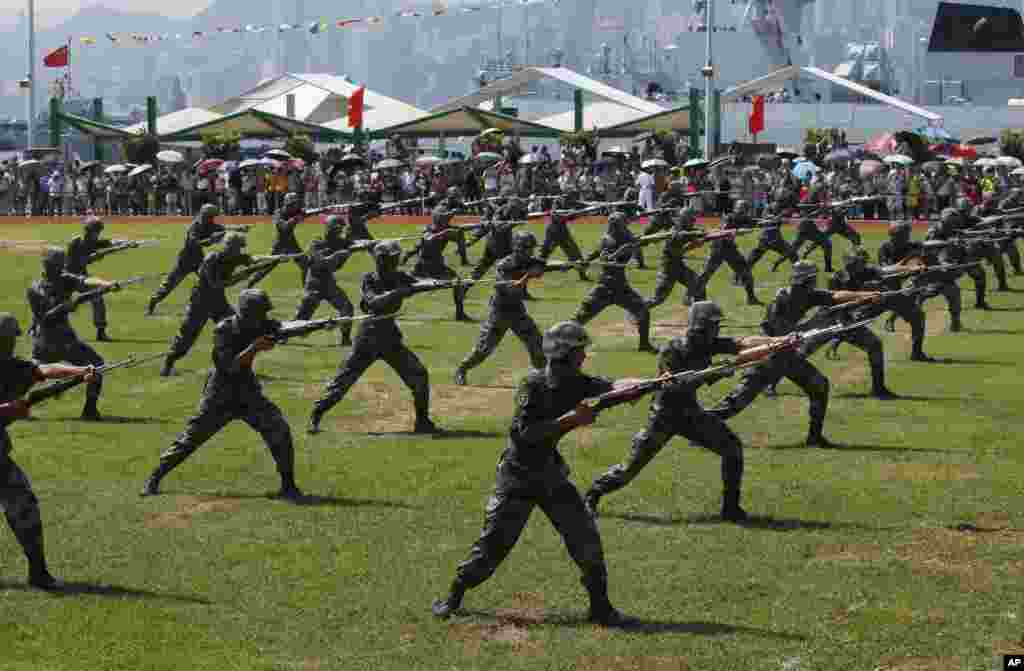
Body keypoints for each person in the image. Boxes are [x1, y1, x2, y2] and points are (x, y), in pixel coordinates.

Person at [431, 321, 638, 626]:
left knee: (585, 537)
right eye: (580, 350)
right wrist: (570, 420)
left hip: (551, 475)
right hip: (518, 477)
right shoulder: (534, 385)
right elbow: (524, 434)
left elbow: (615, 386)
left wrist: (654, 382)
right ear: (565, 353)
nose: (584, 356)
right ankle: (453, 596)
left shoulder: (577, 382)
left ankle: (601, 608)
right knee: (494, 544)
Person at [586, 302, 794, 522]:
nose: (717, 330)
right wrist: (714, 373)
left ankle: (731, 509)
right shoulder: (673, 349)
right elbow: (673, 384)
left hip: (691, 414)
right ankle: (592, 495)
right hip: (664, 415)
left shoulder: (709, 343)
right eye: (713, 325)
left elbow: (744, 343)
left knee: (732, 448)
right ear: (699, 326)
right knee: (630, 468)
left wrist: (778, 341)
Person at [141, 290, 302, 501]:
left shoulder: (261, 324)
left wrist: (318, 323)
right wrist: (254, 348)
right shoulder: (223, 330)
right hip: (221, 394)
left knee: (278, 429)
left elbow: (285, 327)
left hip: (248, 392)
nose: (264, 317)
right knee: (192, 438)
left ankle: (288, 487)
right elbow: (230, 366)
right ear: (247, 313)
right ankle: (154, 478)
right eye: (260, 313)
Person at [710, 262, 882, 447]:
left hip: (789, 357)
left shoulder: (808, 294)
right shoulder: (782, 301)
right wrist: (813, 323)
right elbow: (783, 334)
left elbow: (834, 296)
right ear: (806, 281)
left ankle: (814, 438)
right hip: (771, 355)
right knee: (738, 400)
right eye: (813, 279)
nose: (815, 282)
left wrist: (866, 296)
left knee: (819, 386)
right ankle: (702, 428)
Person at [0, 313, 99, 589]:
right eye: (6, 340)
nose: (10, 345)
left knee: (24, 507)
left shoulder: (9, 365)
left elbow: (43, 370)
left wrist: (79, 372)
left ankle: (38, 572)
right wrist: (7, 410)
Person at [307, 241, 439, 435]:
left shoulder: (400, 276)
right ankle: (316, 415)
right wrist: (399, 293)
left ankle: (422, 422)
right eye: (391, 258)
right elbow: (373, 302)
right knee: (343, 381)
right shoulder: (369, 279)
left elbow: (420, 284)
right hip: (367, 339)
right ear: (382, 260)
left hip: (390, 339)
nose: (394, 262)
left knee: (419, 375)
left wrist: (439, 283)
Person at [26, 249, 117, 420]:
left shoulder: (63, 278)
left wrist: (106, 284)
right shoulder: (35, 289)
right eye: (59, 265)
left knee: (33, 373)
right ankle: (87, 408)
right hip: (50, 340)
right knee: (94, 365)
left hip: (60, 338)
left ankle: (85, 407)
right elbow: (46, 318)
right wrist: (69, 305)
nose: (62, 268)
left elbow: (85, 281)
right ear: (50, 266)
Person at [455, 231, 547, 385]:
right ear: (517, 248)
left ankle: (542, 374)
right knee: (484, 348)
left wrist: (561, 266)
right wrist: (528, 275)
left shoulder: (530, 261)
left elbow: (545, 265)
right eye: (527, 248)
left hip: (517, 310)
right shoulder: (504, 265)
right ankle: (462, 369)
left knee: (536, 342)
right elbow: (513, 288)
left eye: (531, 248)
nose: (531, 251)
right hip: (500, 311)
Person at [160, 233, 253, 377]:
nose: (240, 251)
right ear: (229, 247)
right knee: (187, 336)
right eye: (238, 248)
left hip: (218, 302)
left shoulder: (235, 257)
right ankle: (168, 364)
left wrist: (274, 259)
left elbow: (252, 260)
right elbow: (217, 284)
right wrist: (243, 274)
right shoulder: (212, 259)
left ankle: (231, 365)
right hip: (200, 302)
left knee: (237, 328)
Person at [574, 212, 656, 353]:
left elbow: (632, 246)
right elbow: (603, 258)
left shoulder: (626, 237)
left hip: (620, 287)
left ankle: (644, 345)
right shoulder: (608, 239)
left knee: (642, 310)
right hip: (605, 287)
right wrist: (617, 253)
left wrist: (634, 248)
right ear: (615, 226)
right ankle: (562, 339)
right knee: (581, 317)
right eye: (622, 224)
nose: (625, 227)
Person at [147, 204, 227, 315]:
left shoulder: (209, 225)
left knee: (211, 281)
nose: (212, 219)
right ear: (206, 216)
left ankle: (219, 307)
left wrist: (237, 230)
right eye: (211, 216)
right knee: (170, 284)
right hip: (185, 260)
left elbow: (222, 229)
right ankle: (152, 304)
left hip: (199, 259)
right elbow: (195, 243)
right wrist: (211, 240)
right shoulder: (194, 227)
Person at [294, 215, 356, 347]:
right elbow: (322, 263)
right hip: (314, 283)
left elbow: (354, 245)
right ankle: (283, 336)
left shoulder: (341, 242)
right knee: (302, 318)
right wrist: (337, 255)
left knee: (347, 308)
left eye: (341, 229)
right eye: (337, 229)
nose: (340, 232)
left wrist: (361, 244)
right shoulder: (317, 243)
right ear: (329, 228)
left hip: (328, 282)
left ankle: (345, 339)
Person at [402, 205, 471, 322]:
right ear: (438, 219)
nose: (447, 220)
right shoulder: (429, 229)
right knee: (408, 289)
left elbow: (458, 235)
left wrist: (464, 232)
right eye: (444, 218)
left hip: (438, 266)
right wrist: (444, 233)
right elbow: (428, 239)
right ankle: (386, 304)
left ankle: (460, 314)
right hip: (423, 266)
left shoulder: (446, 229)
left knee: (457, 283)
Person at [65, 216, 125, 342]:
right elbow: (84, 260)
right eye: (96, 231)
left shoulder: (91, 241)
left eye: (98, 231)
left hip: (82, 276)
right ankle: (39, 326)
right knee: (55, 302)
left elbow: (108, 243)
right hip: (68, 278)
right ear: (88, 231)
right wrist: (102, 254)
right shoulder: (76, 242)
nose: (98, 234)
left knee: (97, 296)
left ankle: (101, 332)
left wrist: (126, 243)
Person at [696, 200, 761, 305]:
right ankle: (692, 296)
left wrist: (768, 221)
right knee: (706, 274)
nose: (741, 211)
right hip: (719, 247)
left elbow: (754, 223)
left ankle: (751, 298)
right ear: (736, 209)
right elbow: (723, 232)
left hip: (730, 248)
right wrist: (735, 232)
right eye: (740, 209)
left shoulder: (744, 218)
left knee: (746, 272)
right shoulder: (730, 217)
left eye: (743, 209)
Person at [645, 206, 706, 308]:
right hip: (668, 269)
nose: (693, 221)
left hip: (679, 266)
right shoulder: (674, 232)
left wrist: (703, 234)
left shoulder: (686, 228)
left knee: (699, 285)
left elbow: (694, 233)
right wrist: (692, 245)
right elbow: (676, 252)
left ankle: (700, 313)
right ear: (684, 219)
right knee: (657, 299)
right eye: (691, 219)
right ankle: (637, 308)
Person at [246, 192, 309, 288]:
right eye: (294, 203)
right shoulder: (278, 213)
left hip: (292, 243)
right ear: (289, 204)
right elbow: (284, 227)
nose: (297, 205)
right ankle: (250, 283)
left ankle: (307, 288)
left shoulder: (296, 211)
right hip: (280, 244)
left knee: (305, 265)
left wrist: (320, 211)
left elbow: (306, 214)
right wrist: (295, 219)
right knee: (267, 267)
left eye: (297, 203)